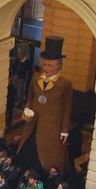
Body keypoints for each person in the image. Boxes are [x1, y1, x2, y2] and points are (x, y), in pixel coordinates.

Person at [17, 36, 73, 174]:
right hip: (33, 121)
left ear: (59, 66)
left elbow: (67, 107)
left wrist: (64, 129)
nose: (47, 68)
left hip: (52, 125)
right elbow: (30, 96)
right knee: (27, 147)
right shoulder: (36, 77)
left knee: (49, 154)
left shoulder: (65, 84)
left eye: (51, 66)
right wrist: (28, 109)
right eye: (45, 65)